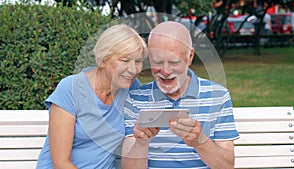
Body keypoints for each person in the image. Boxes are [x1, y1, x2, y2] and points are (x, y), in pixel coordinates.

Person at [121, 21, 239, 169]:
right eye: (157, 61)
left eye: (174, 62)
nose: (165, 71)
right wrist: (141, 143)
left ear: (190, 57)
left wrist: (200, 141)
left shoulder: (218, 95)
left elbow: (227, 166)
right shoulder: (135, 98)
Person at [36, 24, 147, 169]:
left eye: (138, 61)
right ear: (102, 60)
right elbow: (61, 162)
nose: (133, 69)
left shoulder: (131, 87)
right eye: (125, 60)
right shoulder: (70, 89)